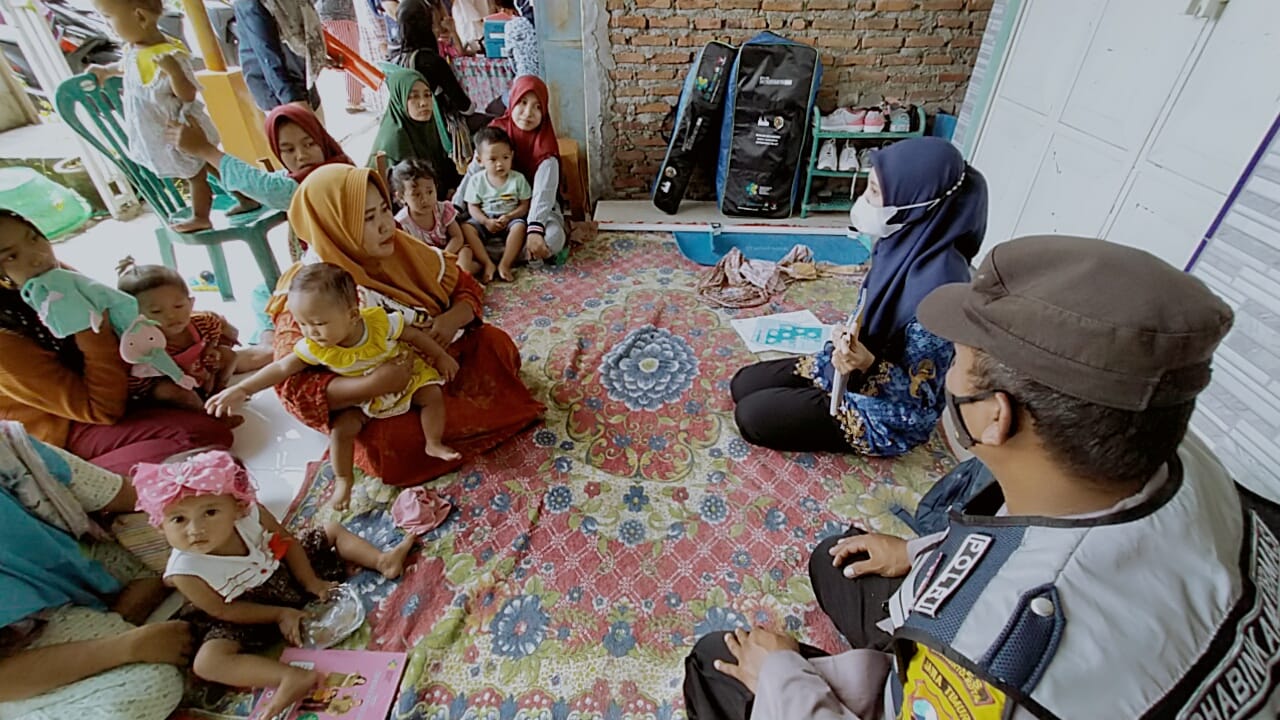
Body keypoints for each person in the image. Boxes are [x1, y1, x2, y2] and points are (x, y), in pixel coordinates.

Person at [684, 235, 1280, 719]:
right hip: (1108, 639)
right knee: (838, 558)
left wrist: (783, 677)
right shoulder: (1180, 457)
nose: (947, 377)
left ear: (995, 416)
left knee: (716, 665)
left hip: (999, 670)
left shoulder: (998, 652)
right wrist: (919, 551)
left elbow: (1006, 634)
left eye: (959, 363)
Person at [269, 164, 543, 487]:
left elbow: (464, 286)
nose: (386, 225)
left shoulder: (402, 247)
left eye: (385, 210)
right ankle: (444, 434)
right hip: (386, 400)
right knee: (389, 441)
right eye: (368, 218)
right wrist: (372, 385)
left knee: (495, 345)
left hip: (438, 361)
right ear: (334, 227)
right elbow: (291, 389)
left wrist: (451, 318)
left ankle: (453, 422)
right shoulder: (308, 292)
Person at [730, 137, 987, 456]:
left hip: (887, 414)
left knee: (752, 416)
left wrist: (867, 363)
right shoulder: (901, 241)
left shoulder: (942, 296)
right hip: (849, 369)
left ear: (918, 202)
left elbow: (920, 398)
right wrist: (846, 337)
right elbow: (870, 313)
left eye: (875, 192)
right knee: (743, 383)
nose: (864, 200)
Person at [132, 450, 414, 720]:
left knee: (331, 530)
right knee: (207, 662)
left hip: (287, 573)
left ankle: (382, 561)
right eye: (178, 519)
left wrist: (311, 581)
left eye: (210, 512)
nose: (195, 530)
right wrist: (279, 614)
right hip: (246, 611)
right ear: (160, 525)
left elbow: (288, 542)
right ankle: (289, 677)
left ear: (237, 507)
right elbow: (222, 610)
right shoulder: (183, 572)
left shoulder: (251, 514)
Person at [209, 263, 459, 511]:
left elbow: (414, 335)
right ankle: (343, 480)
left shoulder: (380, 323)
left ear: (352, 315)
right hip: (362, 398)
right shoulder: (315, 347)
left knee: (431, 394)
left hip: (405, 378)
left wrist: (440, 356)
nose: (310, 332)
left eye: (318, 323)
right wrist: (242, 389)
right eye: (302, 324)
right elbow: (282, 368)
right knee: (341, 430)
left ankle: (433, 442)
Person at [0, 211, 233, 476]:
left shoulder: (52, 278)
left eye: (33, 238)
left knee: (203, 364)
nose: (37, 255)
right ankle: (83, 480)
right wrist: (89, 329)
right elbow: (102, 410)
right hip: (66, 428)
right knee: (199, 437)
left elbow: (124, 320)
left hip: (113, 387)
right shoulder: (6, 339)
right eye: (11, 256)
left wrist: (199, 326)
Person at [0, 423, 192, 720]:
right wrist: (128, 647)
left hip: (71, 587)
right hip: (18, 648)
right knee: (152, 686)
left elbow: (120, 493)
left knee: (190, 531)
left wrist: (210, 494)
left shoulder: (9, 449)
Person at [87, 0, 257, 232]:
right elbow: (128, 66)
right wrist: (106, 71)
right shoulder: (135, 49)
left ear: (140, 17)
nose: (107, 24)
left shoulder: (169, 54)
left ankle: (201, 216)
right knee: (208, 166)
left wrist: (174, 72)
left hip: (181, 130)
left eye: (108, 17)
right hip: (160, 128)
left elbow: (187, 94)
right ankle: (245, 197)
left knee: (195, 175)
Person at [116, 257, 269, 410]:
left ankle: (219, 390)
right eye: (156, 311)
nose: (171, 315)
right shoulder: (143, 343)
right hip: (171, 381)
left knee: (229, 355)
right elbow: (137, 381)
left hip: (199, 369)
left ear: (191, 303)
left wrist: (211, 349)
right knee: (175, 393)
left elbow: (215, 327)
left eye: (178, 306)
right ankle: (206, 412)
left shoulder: (201, 322)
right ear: (135, 316)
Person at [169, 103, 354, 214]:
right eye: (288, 150)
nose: (301, 155)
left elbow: (267, 188)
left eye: (309, 144)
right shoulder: (330, 164)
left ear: (322, 140)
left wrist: (206, 150)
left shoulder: (330, 175)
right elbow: (267, 181)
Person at [469, 75, 567, 264]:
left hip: (533, 210)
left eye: (537, 107)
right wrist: (455, 208)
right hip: (491, 206)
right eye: (523, 102)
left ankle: (499, 255)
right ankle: (520, 255)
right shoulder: (495, 133)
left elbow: (543, 195)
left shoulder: (545, 148)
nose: (528, 113)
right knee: (460, 230)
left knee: (554, 237)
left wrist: (535, 230)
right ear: (512, 100)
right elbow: (473, 174)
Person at [392, 158, 494, 280]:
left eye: (429, 192)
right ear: (401, 197)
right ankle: (464, 273)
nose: (425, 199)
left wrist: (444, 255)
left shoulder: (443, 209)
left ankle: (461, 274)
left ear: (436, 187)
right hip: (427, 261)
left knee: (465, 252)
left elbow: (457, 237)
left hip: (451, 252)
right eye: (416, 194)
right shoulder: (402, 223)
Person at [369, 64, 462, 194]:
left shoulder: (427, 124)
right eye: (414, 96)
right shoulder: (394, 140)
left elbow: (443, 165)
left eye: (427, 95)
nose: (424, 103)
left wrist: (453, 188)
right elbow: (403, 194)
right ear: (399, 99)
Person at [462, 126, 531, 282]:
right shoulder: (476, 180)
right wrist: (485, 221)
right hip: (486, 219)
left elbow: (524, 205)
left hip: (510, 219)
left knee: (520, 227)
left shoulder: (518, 179)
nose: (500, 164)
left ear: (512, 156)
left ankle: (505, 263)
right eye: (493, 160)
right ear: (480, 161)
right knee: (466, 228)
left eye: (505, 158)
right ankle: (487, 263)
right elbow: (472, 206)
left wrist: (510, 216)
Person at [233, 0, 321, 113]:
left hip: (302, 76)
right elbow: (267, 54)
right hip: (278, 91)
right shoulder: (251, 3)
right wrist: (293, 101)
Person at [392, 0, 474, 119]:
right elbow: (466, 108)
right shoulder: (431, 61)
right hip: (437, 123)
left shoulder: (393, 54)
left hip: (407, 121)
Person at [316, 0, 365, 113]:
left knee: (344, 57)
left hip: (325, 12)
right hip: (340, 14)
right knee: (351, 58)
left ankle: (356, 95)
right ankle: (353, 100)